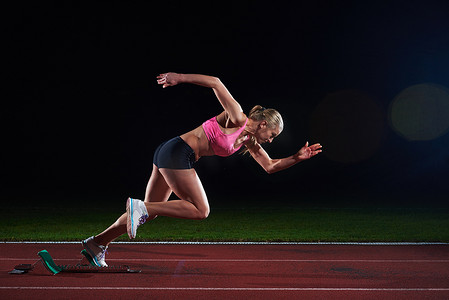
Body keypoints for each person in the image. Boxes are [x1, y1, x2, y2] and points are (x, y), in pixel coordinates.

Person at [82, 72, 322, 267]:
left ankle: (97, 243)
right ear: (263, 124)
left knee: (151, 212)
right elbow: (216, 82)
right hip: (179, 152)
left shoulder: (249, 141)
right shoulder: (237, 118)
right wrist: (179, 77)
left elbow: (270, 166)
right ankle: (139, 207)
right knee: (200, 210)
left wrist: (297, 158)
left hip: (169, 152)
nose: (270, 140)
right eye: (272, 135)